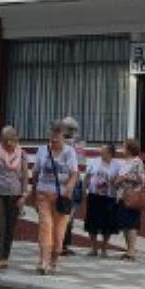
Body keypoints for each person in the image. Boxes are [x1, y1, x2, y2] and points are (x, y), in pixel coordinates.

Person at [32, 122, 79, 275]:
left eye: (57, 140)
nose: (53, 143)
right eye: (51, 140)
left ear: (63, 138)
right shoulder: (42, 150)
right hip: (43, 194)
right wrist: (33, 192)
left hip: (62, 198)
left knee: (59, 233)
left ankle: (53, 260)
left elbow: (74, 174)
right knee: (46, 226)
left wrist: (70, 187)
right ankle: (44, 261)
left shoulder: (69, 152)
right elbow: (36, 172)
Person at [0, 126, 29, 273]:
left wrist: (24, 195)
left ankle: (4, 258)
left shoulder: (22, 155)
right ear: (2, 140)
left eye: (12, 141)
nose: (9, 144)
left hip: (15, 195)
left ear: (16, 140)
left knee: (10, 228)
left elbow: (25, 177)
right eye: (6, 141)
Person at [83, 143, 121, 257]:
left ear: (110, 153)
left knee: (107, 223)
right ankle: (93, 248)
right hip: (94, 195)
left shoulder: (117, 165)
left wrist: (114, 182)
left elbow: (118, 182)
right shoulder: (94, 161)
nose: (101, 153)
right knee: (92, 221)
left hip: (109, 196)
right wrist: (84, 189)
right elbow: (87, 176)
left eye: (103, 151)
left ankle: (104, 248)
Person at [113, 137, 145, 261]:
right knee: (124, 223)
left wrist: (127, 178)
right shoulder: (124, 162)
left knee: (132, 223)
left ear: (129, 148)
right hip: (122, 196)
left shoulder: (137, 162)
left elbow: (142, 180)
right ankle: (128, 249)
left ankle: (132, 251)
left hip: (133, 196)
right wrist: (118, 181)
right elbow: (118, 179)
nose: (122, 148)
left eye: (124, 146)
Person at [58, 116, 83, 256]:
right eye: (70, 129)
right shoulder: (59, 143)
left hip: (75, 181)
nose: (72, 132)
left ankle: (64, 244)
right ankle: (61, 244)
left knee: (70, 215)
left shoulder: (77, 143)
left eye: (73, 129)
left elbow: (81, 160)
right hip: (65, 182)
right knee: (64, 214)